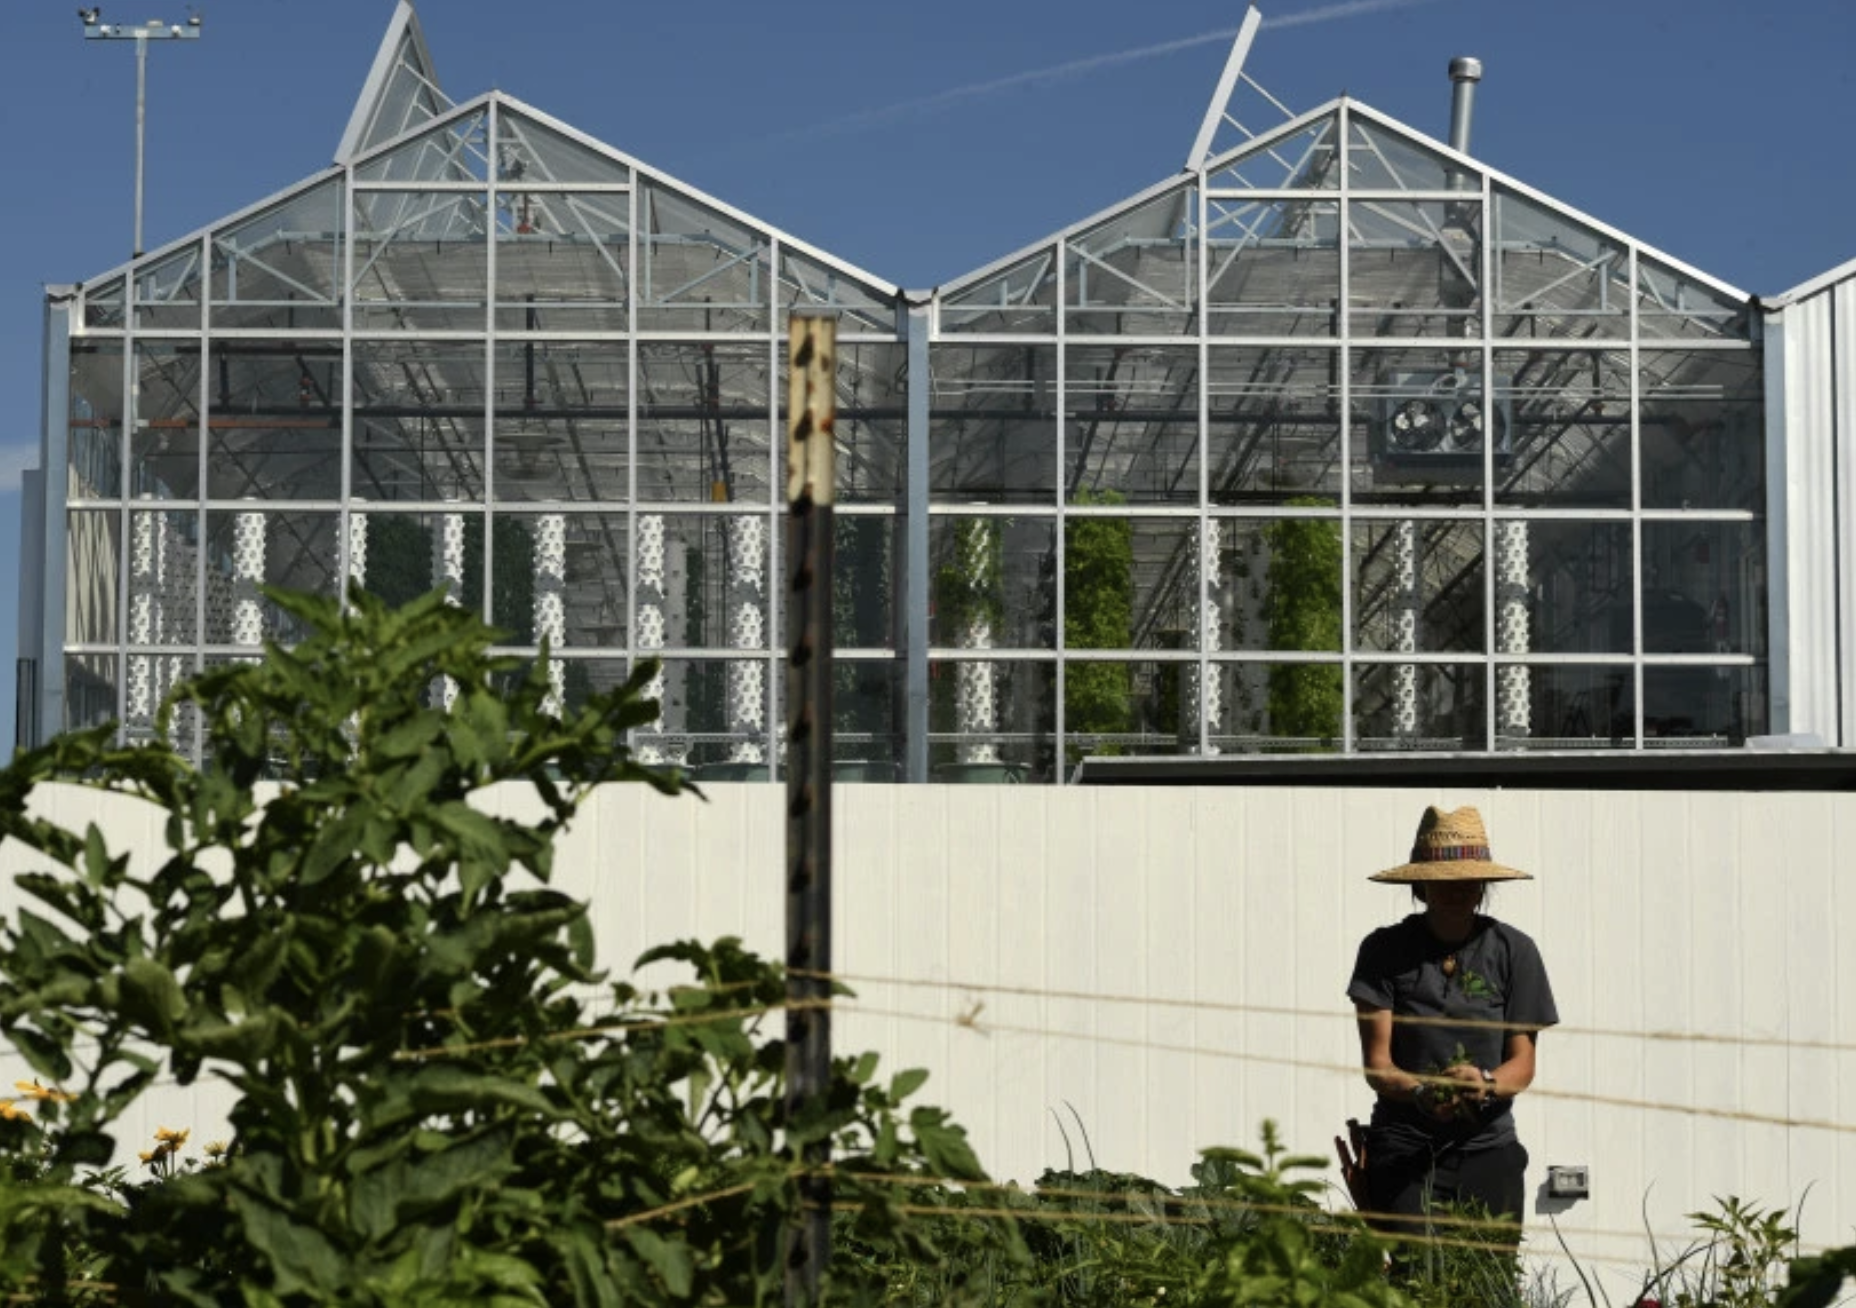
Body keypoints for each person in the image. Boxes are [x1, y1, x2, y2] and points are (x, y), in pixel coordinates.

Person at [1345, 804, 1558, 1245]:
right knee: (1411, 1278)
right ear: (1420, 884)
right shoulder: (1384, 951)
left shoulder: (1514, 951)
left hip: (1488, 1147)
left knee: (1489, 1281)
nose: (1456, 889)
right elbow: (1378, 1064)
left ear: (1483, 885)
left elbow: (1522, 1065)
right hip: (1404, 1146)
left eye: (1466, 879)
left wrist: (1483, 1083)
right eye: (1444, 880)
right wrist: (1423, 1091)